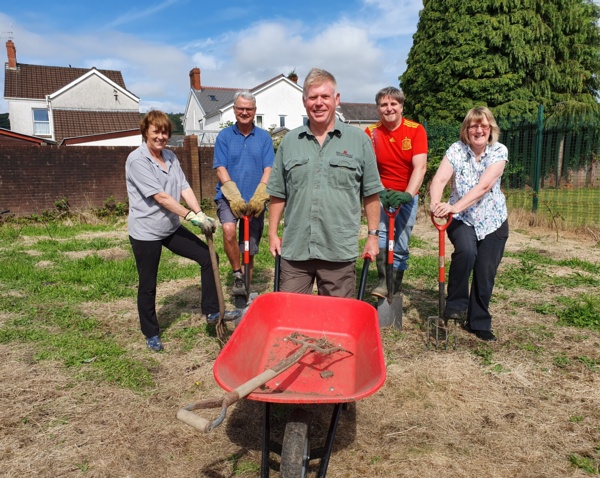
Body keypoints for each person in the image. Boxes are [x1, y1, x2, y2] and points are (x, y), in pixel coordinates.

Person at [126, 110, 239, 352]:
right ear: (146, 131)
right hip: (146, 232)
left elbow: (184, 188)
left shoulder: (170, 157)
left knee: (209, 257)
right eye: (156, 131)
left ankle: (211, 311)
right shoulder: (137, 160)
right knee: (148, 283)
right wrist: (189, 216)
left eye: (165, 131)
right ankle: (151, 332)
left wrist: (198, 213)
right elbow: (161, 197)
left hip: (169, 227)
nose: (161, 136)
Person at [266, 68, 383, 297]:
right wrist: (272, 233)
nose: (318, 103)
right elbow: (278, 192)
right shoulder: (290, 141)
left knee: (337, 323)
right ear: (304, 101)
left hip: (338, 249)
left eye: (325, 97)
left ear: (336, 100)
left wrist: (372, 236)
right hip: (296, 250)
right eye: (313, 97)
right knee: (290, 318)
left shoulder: (359, 140)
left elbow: (371, 193)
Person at [429, 106, 509, 342]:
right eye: (473, 125)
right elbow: (440, 179)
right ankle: (455, 306)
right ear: (466, 129)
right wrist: (436, 203)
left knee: (485, 271)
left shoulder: (498, 151)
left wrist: (454, 206)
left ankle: (479, 321)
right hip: (462, 219)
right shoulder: (456, 150)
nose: (479, 130)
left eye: (484, 125)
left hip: (493, 220)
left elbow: (484, 186)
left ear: (491, 129)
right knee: (466, 251)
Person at [365, 87, 428, 300]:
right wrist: (381, 193)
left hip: (406, 194)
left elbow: (420, 167)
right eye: (384, 104)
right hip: (381, 194)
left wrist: (408, 195)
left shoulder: (415, 130)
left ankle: (395, 283)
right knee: (382, 234)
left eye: (393, 104)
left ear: (401, 106)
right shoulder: (371, 132)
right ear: (378, 109)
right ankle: (383, 282)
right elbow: (370, 167)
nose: (389, 108)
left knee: (400, 240)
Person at [214, 90, 274, 301]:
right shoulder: (225, 136)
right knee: (229, 229)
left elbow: (269, 169)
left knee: (249, 245)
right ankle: (237, 274)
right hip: (229, 198)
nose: (244, 112)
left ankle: (245, 289)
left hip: (255, 198)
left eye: (249, 109)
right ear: (234, 110)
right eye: (240, 108)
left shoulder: (264, 138)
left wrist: (260, 195)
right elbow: (220, 168)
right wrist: (233, 196)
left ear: (255, 111)